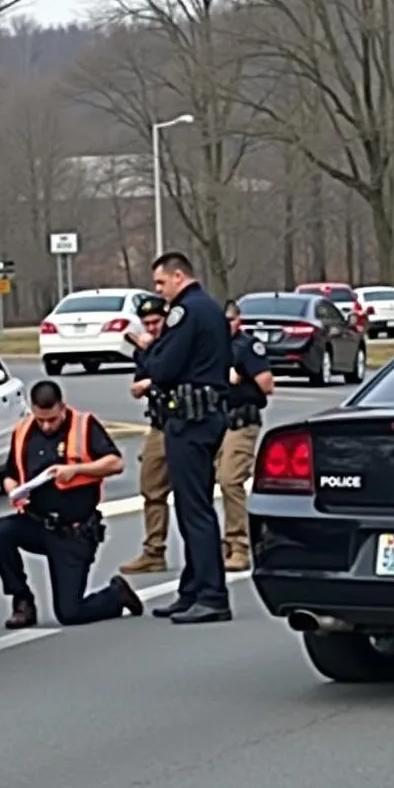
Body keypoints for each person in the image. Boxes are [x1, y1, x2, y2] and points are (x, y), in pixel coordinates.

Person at [0, 379, 145, 629]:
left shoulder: (84, 426)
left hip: (73, 531)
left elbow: (115, 463)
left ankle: (116, 595)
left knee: (69, 613)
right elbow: (9, 473)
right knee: (1, 531)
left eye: (52, 419)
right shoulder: (24, 432)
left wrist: (77, 470)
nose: (47, 426)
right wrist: (13, 490)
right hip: (37, 522)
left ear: (62, 408)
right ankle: (22, 601)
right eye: (41, 420)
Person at [132, 250, 232, 625]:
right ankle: (192, 590)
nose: (159, 290)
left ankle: (211, 594)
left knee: (195, 511)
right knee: (195, 506)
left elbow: (165, 366)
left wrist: (146, 353)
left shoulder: (186, 312)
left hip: (190, 420)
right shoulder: (209, 308)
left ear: (178, 277)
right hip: (206, 416)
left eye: (161, 282)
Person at [217, 298, 274, 571]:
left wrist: (240, 375)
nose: (226, 325)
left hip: (241, 420)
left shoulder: (247, 347)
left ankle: (239, 545)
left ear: (238, 320)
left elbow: (267, 385)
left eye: (230, 320)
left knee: (230, 480)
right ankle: (221, 545)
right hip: (214, 421)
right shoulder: (212, 347)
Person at [120, 293, 172, 574]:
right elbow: (140, 381)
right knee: (152, 488)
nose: (152, 327)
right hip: (159, 423)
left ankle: (221, 548)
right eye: (147, 323)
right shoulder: (145, 349)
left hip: (186, 424)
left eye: (157, 321)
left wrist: (150, 382)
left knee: (197, 492)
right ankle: (154, 551)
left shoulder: (178, 342)